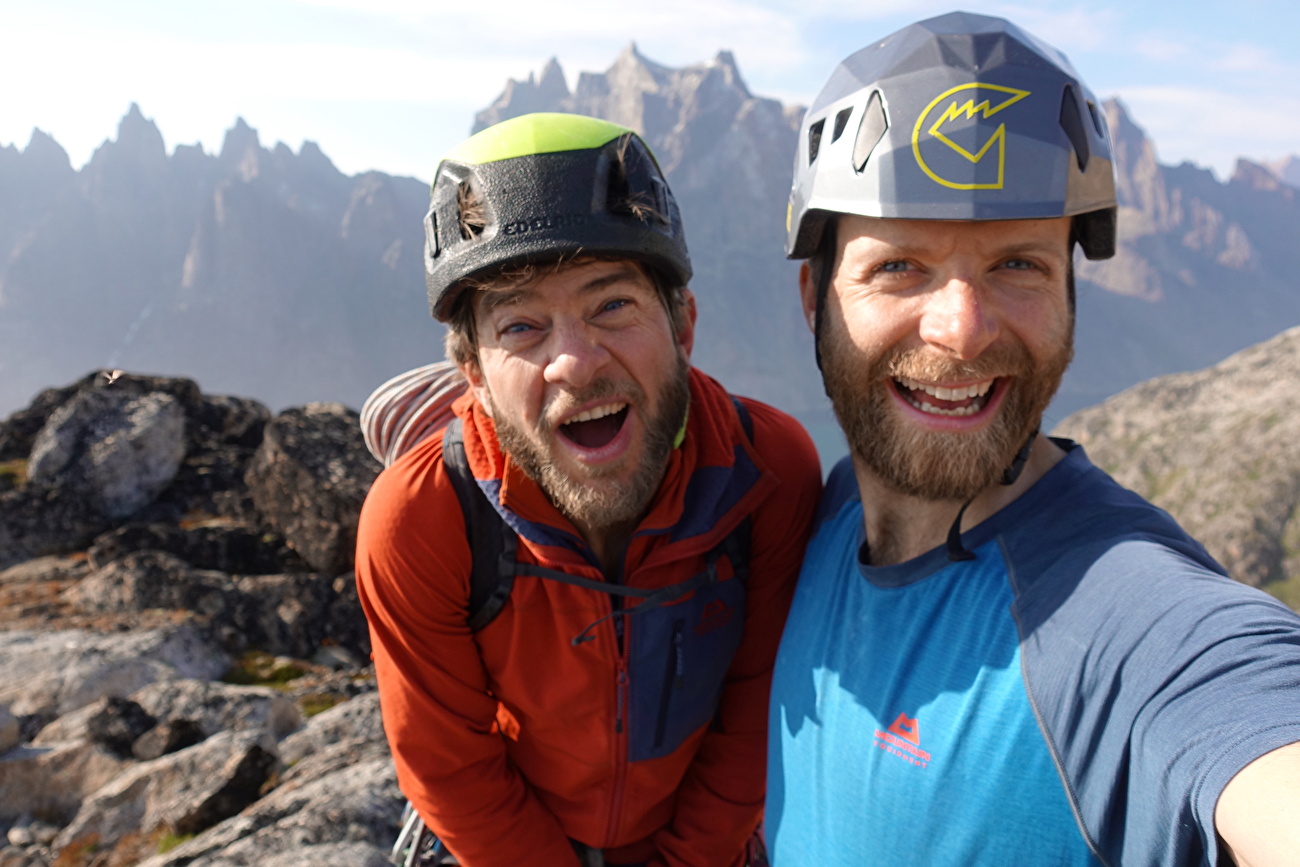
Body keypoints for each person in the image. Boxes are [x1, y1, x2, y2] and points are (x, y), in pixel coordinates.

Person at [766, 12, 1300, 866]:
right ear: (814, 300)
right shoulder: (818, 520)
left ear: (1070, 297)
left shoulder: (1126, 623)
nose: (963, 330)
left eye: (1018, 264)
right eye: (899, 265)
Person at [355, 112, 821, 867]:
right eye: (521, 328)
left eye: (612, 306)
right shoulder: (423, 520)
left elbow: (758, 711)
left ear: (684, 325)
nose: (574, 361)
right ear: (471, 372)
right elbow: (450, 766)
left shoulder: (766, 472)